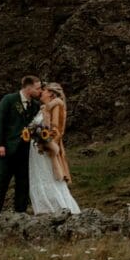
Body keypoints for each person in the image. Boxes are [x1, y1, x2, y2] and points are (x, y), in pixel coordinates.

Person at [0, 75, 42, 221]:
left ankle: (20, 216)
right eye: (38, 88)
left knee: (23, 184)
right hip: (7, 150)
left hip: (25, 152)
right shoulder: (9, 100)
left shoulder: (36, 106)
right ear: (28, 88)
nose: (40, 91)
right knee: (1, 184)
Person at [28, 82, 80, 215]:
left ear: (51, 93)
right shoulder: (43, 108)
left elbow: (56, 130)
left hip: (45, 149)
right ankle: (44, 210)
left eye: (44, 90)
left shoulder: (56, 105)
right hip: (36, 149)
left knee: (49, 177)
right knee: (39, 176)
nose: (41, 92)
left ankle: (61, 209)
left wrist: (45, 141)